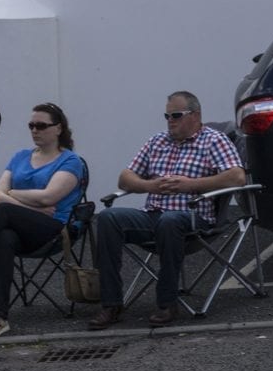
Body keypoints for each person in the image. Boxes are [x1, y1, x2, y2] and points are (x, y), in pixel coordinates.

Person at [87, 91, 244, 329]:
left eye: (176, 115)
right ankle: (111, 304)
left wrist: (191, 185)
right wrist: (150, 186)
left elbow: (237, 177)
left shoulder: (214, 140)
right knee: (108, 218)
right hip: (152, 215)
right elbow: (125, 179)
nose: (170, 120)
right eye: (167, 115)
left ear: (196, 115)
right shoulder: (157, 141)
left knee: (169, 221)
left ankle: (167, 302)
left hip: (194, 218)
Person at [0, 103, 83, 341]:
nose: (35, 130)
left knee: (4, 211)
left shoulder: (70, 161)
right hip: (20, 228)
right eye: (31, 125)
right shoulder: (20, 157)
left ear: (58, 128)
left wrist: (12, 194)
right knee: (4, 237)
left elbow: (49, 197)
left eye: (41, 125)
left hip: (51, 230)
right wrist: (28, 203)